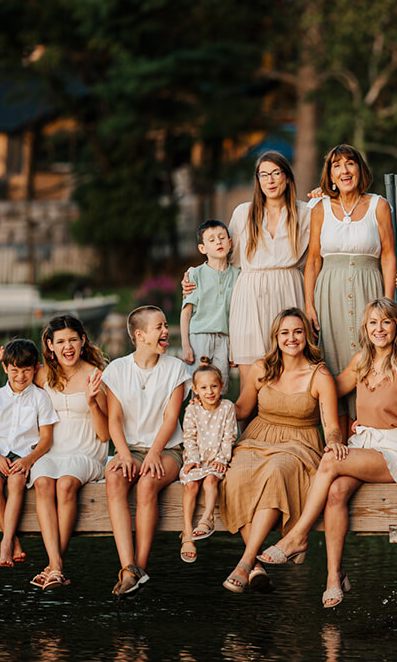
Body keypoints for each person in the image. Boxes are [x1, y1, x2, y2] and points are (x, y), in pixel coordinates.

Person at [257, 298, 397, 609]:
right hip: (364, 444)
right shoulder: (361, 361)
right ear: (365, 328)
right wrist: (291, 373)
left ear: (396, 326)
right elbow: (328, 387)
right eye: (373, 322)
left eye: (386, 322)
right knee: (335, 492)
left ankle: (298, 535)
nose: (379, 329)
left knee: (330, 458)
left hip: (396, 448)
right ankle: (334, 577)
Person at [0, 315, 110, 590]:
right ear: (50, 345)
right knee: (41, 483)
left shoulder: (94, 376)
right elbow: (9, 403)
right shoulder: (41, 375)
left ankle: (54, 565)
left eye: (73, 339)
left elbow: (104, 434)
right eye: (60, 341)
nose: (68, 347)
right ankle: (55, 567)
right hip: (47, 451)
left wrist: (92, 402)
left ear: (83, 340)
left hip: (85, 451)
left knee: (64, 485)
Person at [218, 308, 340, 594]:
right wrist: (210, 403)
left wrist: (334, 440)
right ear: (276, 337)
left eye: (298, 331)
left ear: (307, 336)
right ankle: (258, 566)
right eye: (285, 332)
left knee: (276, 471)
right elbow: (242, 409)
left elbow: (331, 426)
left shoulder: (319, 374)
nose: (291, 338)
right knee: (236, 475)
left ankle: (246, 561)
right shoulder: (262, 368)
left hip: (299, 444)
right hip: (257, 438)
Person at [305, 145, 396, 435]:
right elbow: (313, 259)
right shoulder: (319, 208)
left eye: (350, 164)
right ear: (329, 175)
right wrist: (309, 305)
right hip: (329, 292)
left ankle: (371, 430)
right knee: (332, 359)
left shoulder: (378, 205)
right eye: (337, 166)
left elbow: (389, 255)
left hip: (370, 288)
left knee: (370, 354)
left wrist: (388, 303)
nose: (344, 171)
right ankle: (337, 437)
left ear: (360, 169)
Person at [104, 305, 192, 597]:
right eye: (159, 327)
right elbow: (113, 418)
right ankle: (127, 566)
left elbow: (170, 419)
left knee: (146, 484)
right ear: (140, 335)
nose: (165, 331)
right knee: (114, 477)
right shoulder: (116, 369)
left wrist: (154, 453)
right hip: (130, 449)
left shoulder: (175, 369)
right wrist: (124, 454)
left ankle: (137, 570)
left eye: (166, 325)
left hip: (167, 449)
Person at [0, 338, 58, 570]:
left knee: (16, 481)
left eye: (26, 371)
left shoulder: (41, 398)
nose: (20, 376)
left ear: (35, 369)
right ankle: (12, 540)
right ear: (5, 369)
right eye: (14, 371)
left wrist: (29, 460)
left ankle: (6, 543)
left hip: (23, 456)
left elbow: (46, 439)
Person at [226, 152, 312, 367]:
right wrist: (195, 277)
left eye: (275, 173)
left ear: (288, 177)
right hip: (250, 296)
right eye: (263, 175)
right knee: (252, 369)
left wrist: (325, 194)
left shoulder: (306, 212)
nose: (270, 180)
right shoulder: (243, 213)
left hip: (289, 291)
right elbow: (226, 259)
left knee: (290, 366)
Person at [179, 365, 238, 565]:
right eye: (203, 388)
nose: (209, 392)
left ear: (222, 386)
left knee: (211, 480)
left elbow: (229, 436)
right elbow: (189, 437)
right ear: (195, 390)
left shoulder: (227, 407)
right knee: (191, 485)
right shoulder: (192, 410)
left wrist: (222, 458)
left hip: (216, 457)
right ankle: (187, 533)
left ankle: (208, 517)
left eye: (214, 386)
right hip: (196, 458)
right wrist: (193, 459)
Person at [180, 220, 239, 387]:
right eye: (211, 240)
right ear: (202, 248)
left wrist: (234, 348)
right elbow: (186, 312)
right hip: (199, 337)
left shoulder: (238, 276)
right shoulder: (195, 275)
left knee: (219, 385)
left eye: (221, 238)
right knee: (198, 385)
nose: (218, 242)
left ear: (230, 243)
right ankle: (195, 414)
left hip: (225, 338)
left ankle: (218, 415)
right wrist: (186, 345)